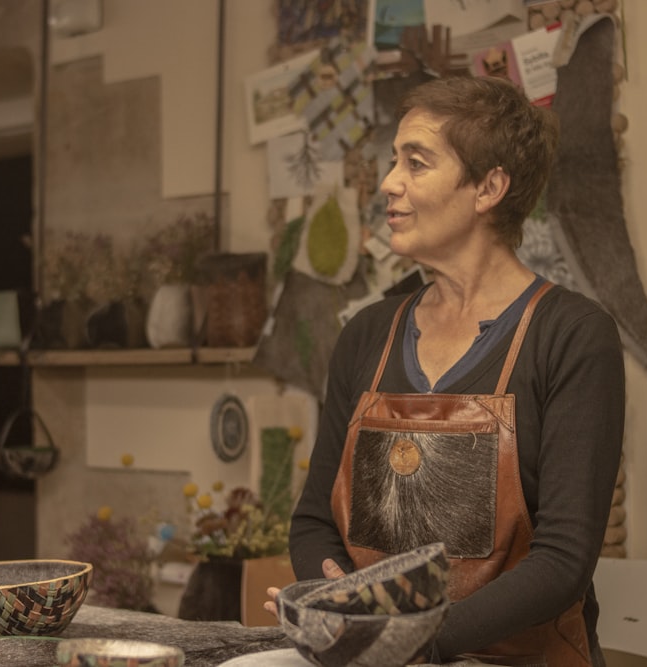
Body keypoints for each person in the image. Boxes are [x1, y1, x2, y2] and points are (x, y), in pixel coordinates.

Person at [265, 75, 625, 666]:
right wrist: (337, 608)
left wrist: (414, 641)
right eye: (393, 161)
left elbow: (563, 560)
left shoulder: (573, 336)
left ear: (489, 187)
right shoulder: (367, 336)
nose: (389, 183)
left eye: (417, 163)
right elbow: (312, 521)